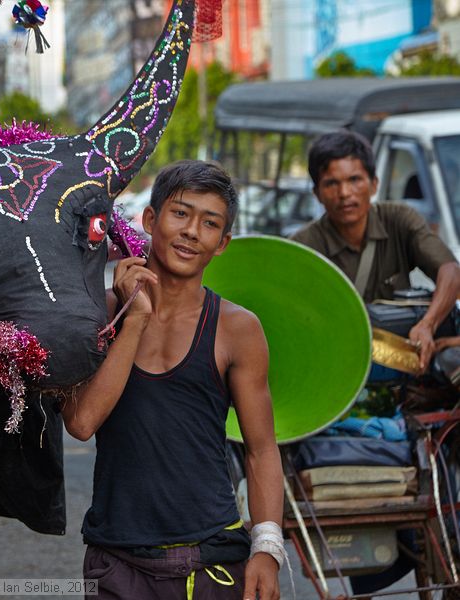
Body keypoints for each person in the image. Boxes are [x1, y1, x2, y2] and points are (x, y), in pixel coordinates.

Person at [62, 160, 284, 599]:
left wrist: (267, 549)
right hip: (117, 560)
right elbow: (82, 422)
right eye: (180, 213)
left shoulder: (237, 329)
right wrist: (137, 319)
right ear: (150, 218)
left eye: (209, 223)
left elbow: (261, 450)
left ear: (222, 243)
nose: (190, 232)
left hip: (213, 561)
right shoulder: (99, 316)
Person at [291, 130, 460, 372]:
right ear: (317, 193)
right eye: (331, 183)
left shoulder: (400, 219)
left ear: (374, 184)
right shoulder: (301, 248)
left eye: (354, 180)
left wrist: (427, 324)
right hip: (335, 368)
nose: (345, 193)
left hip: (401, 365)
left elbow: (451, 270)